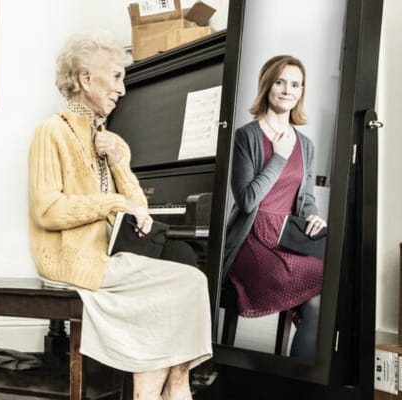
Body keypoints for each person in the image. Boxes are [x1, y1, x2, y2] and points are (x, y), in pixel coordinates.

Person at [28, 32, 212, 400]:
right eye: (115, 77)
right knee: (188, 282)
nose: (122, 89)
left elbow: (139, 209)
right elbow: (47, 211)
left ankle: (169, 384)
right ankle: (173, 387)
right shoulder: (52, 131)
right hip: (68, 258)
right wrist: (111, 203)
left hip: (109, 254)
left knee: (185, 268)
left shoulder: (112, 139)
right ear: (85, 79)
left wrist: (119, 161)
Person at [223, 55, 326, 361]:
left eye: (295, 84)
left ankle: (297, 376)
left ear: (302, 90)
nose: (287, 90)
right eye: (280, 82)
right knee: (306, 277)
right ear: (267, 85)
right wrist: (278, 157)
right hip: (253, 239)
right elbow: (247, 200)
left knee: (326, 287)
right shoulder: (246, 136)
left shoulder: (306, 145)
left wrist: (313, 216)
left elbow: (306, 197)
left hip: (288, 236)